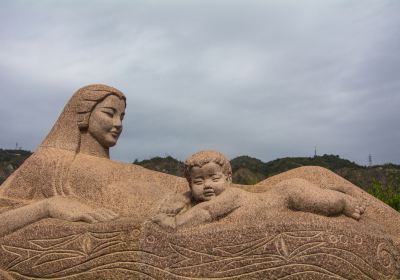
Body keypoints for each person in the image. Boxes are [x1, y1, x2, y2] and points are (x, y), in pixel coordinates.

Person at [152, 150, 365, 230]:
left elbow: (205, 213)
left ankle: (343, 198)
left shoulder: (231, 195)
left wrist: (176, 223)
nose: (207, 185)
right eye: (198, 182)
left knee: (325, 203)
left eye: (214, 178)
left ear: (228, 179)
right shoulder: (198, 197)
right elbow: (194, 201)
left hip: (287, 194)